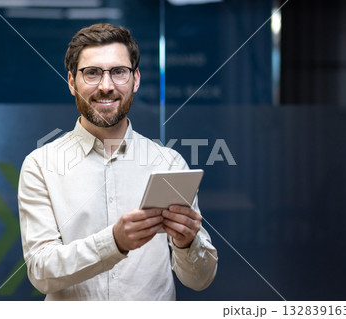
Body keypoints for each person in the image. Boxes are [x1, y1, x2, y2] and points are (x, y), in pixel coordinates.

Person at [18, 23, 218, 301]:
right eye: (92, 73)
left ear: (135, 79)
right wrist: (114, 242)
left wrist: (187, 243)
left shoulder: (168, 163)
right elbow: (41, 273)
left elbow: (200, 280)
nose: (106, 86)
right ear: (71, 82)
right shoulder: (40, 165)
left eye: (118, 72)